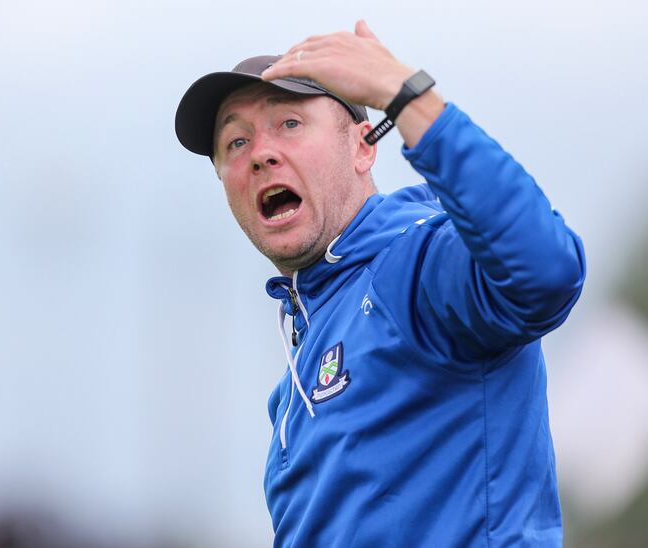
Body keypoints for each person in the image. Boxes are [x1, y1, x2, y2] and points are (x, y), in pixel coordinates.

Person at [175, 20, 585, 548]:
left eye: (291, 124)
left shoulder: (417, 266)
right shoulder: (298, 374)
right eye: (236, 140)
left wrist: (406, 96)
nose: (260, 153)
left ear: (364, 147)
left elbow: (547, 269)